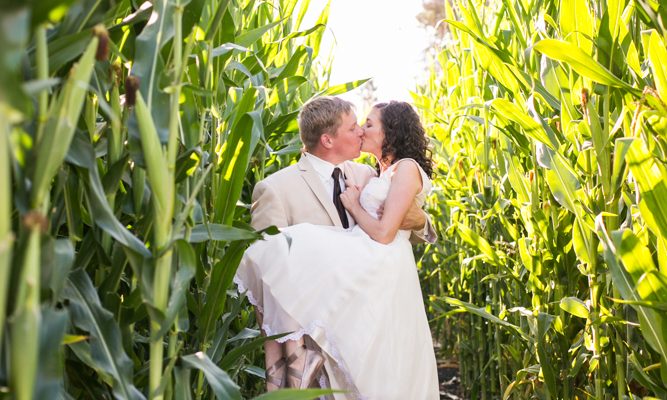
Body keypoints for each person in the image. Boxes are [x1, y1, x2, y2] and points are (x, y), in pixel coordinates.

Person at [235, 98, 438, 398]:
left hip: (372, 326)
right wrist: (287, 352)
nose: (359, 132)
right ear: (328, 139)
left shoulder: (368, 175)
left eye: (364, 125)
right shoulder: (275, 189)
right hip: (316, 346)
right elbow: (268, 276)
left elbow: (404, 225)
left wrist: (419, 218)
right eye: (354, 126)